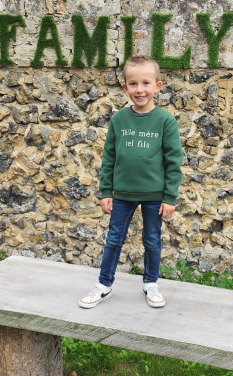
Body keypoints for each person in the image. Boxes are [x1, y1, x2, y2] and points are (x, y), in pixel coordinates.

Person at [78, 55, 184, 309]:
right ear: (125, 87)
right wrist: (106, 191)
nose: (140, 90)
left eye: (146, 83)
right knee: (114, 239)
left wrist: (170, 196)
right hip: (122, 194)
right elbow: (109, 157)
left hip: (154, 195)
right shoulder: (119, 120)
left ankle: (151, 283)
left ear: (157, 86)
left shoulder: (165, 121)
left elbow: (174, 160)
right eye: (133, 84)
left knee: (152, 240)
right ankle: (104, 285)